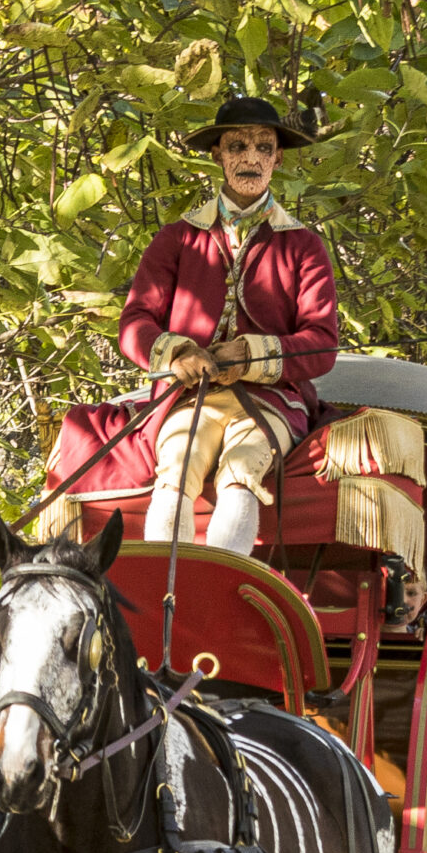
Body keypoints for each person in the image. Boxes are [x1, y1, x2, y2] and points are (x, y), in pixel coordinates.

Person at [118, 96, 338, 557]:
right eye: (237, 146)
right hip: (187, 396)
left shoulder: (304, 245)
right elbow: (135, 323)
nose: (251, 158)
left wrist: (251, 355)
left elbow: (321, 344)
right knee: (177, 469)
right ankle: (163, 602)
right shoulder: (176, 237)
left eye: (263, 147)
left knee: (240, 472)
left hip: (272, 400)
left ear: (278, 157)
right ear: (218, 154)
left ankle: (215, 593)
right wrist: (179, 354)